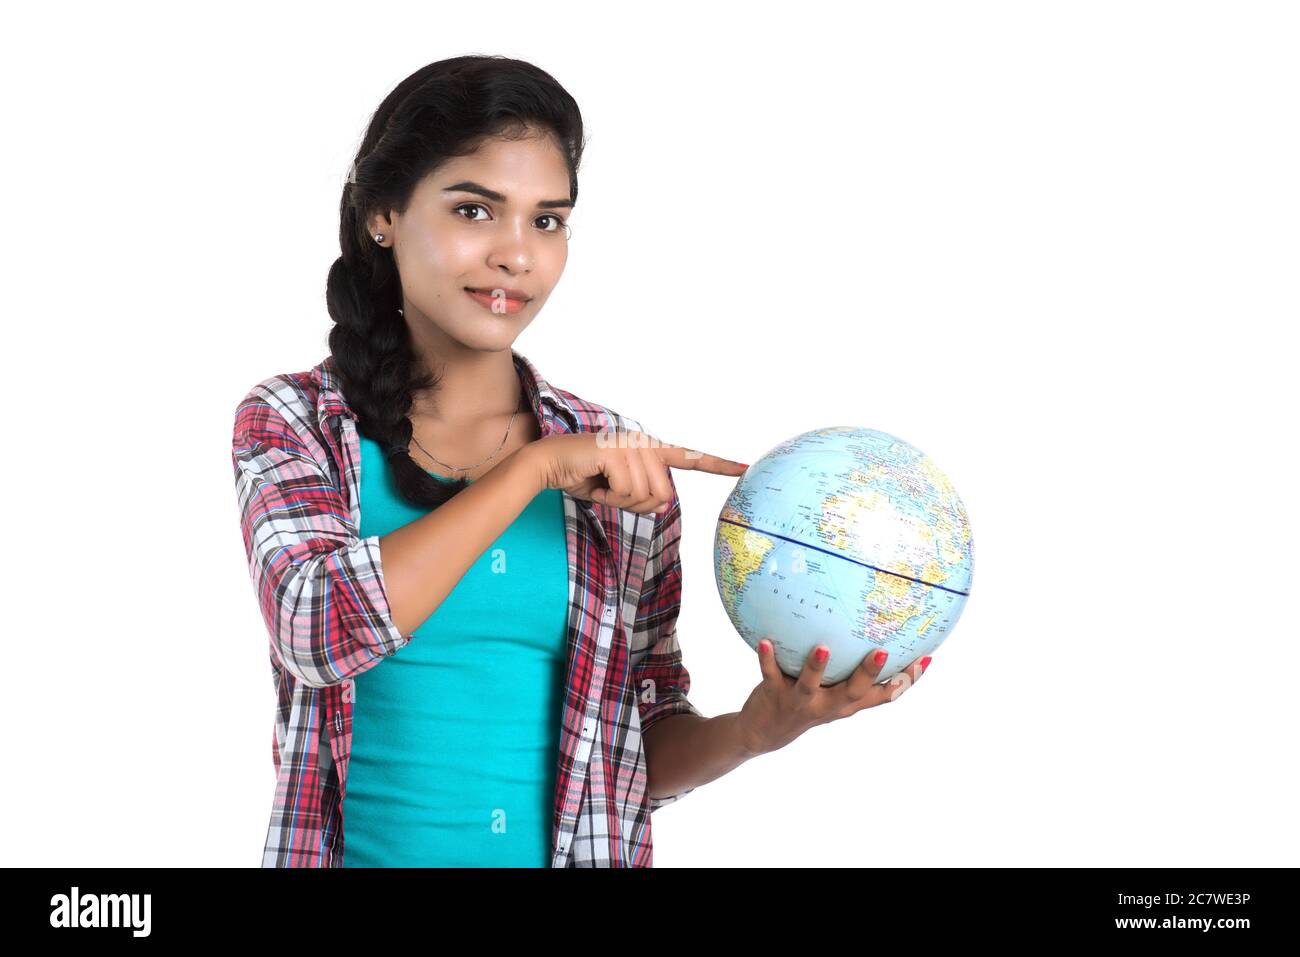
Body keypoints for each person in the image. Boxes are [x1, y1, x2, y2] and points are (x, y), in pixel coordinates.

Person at [231, 55, 930, 868]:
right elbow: (316, 629)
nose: (516, 256)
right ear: (384, 212)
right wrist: (529, 471)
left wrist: (754, 730)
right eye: (474, 210)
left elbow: (633, 752)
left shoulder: (614, 462)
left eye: (547, 221)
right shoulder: (294, 422)